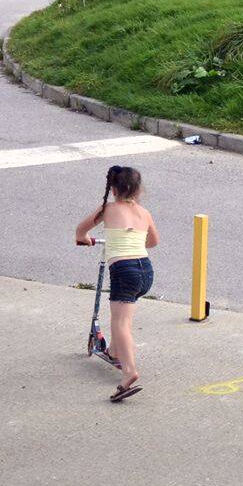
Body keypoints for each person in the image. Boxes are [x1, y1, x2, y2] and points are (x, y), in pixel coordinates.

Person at [74, 165, 159, 402]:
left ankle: (129, 371)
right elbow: (153, 241)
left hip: (124, 271)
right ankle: (113, 351)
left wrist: (87, 240)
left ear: (113, 189)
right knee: (125, 317)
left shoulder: (108, 209)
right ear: (139, 189)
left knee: (120, 322)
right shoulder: (144, 213)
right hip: (146, 271)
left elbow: (81, 231)